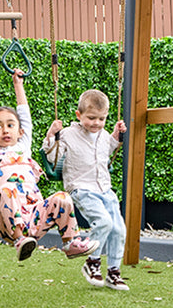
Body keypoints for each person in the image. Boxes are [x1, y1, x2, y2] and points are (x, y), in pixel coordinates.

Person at [0, 69, 98, 262]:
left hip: (35, 215)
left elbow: (24, 114)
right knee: (7, 190)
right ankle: (20, 242)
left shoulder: (23, 147)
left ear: (20, 131)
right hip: (8, 224)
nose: (5, 130)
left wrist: (18, 84)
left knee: (62, 198)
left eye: (10, 125)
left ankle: (70, 242)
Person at [41, 89, 130, 290]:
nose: (96, 123)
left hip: (105, 189)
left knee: (119, 229)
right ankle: (92, 262)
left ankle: (114, 272)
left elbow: (107, 151)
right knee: (104, 222)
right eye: (91, 118)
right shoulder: (68, 134)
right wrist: (51, 134)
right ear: (79, 115)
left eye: (101, 119)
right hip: (82, 188)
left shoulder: (104, 134)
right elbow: (51, 155)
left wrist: (116, 136)